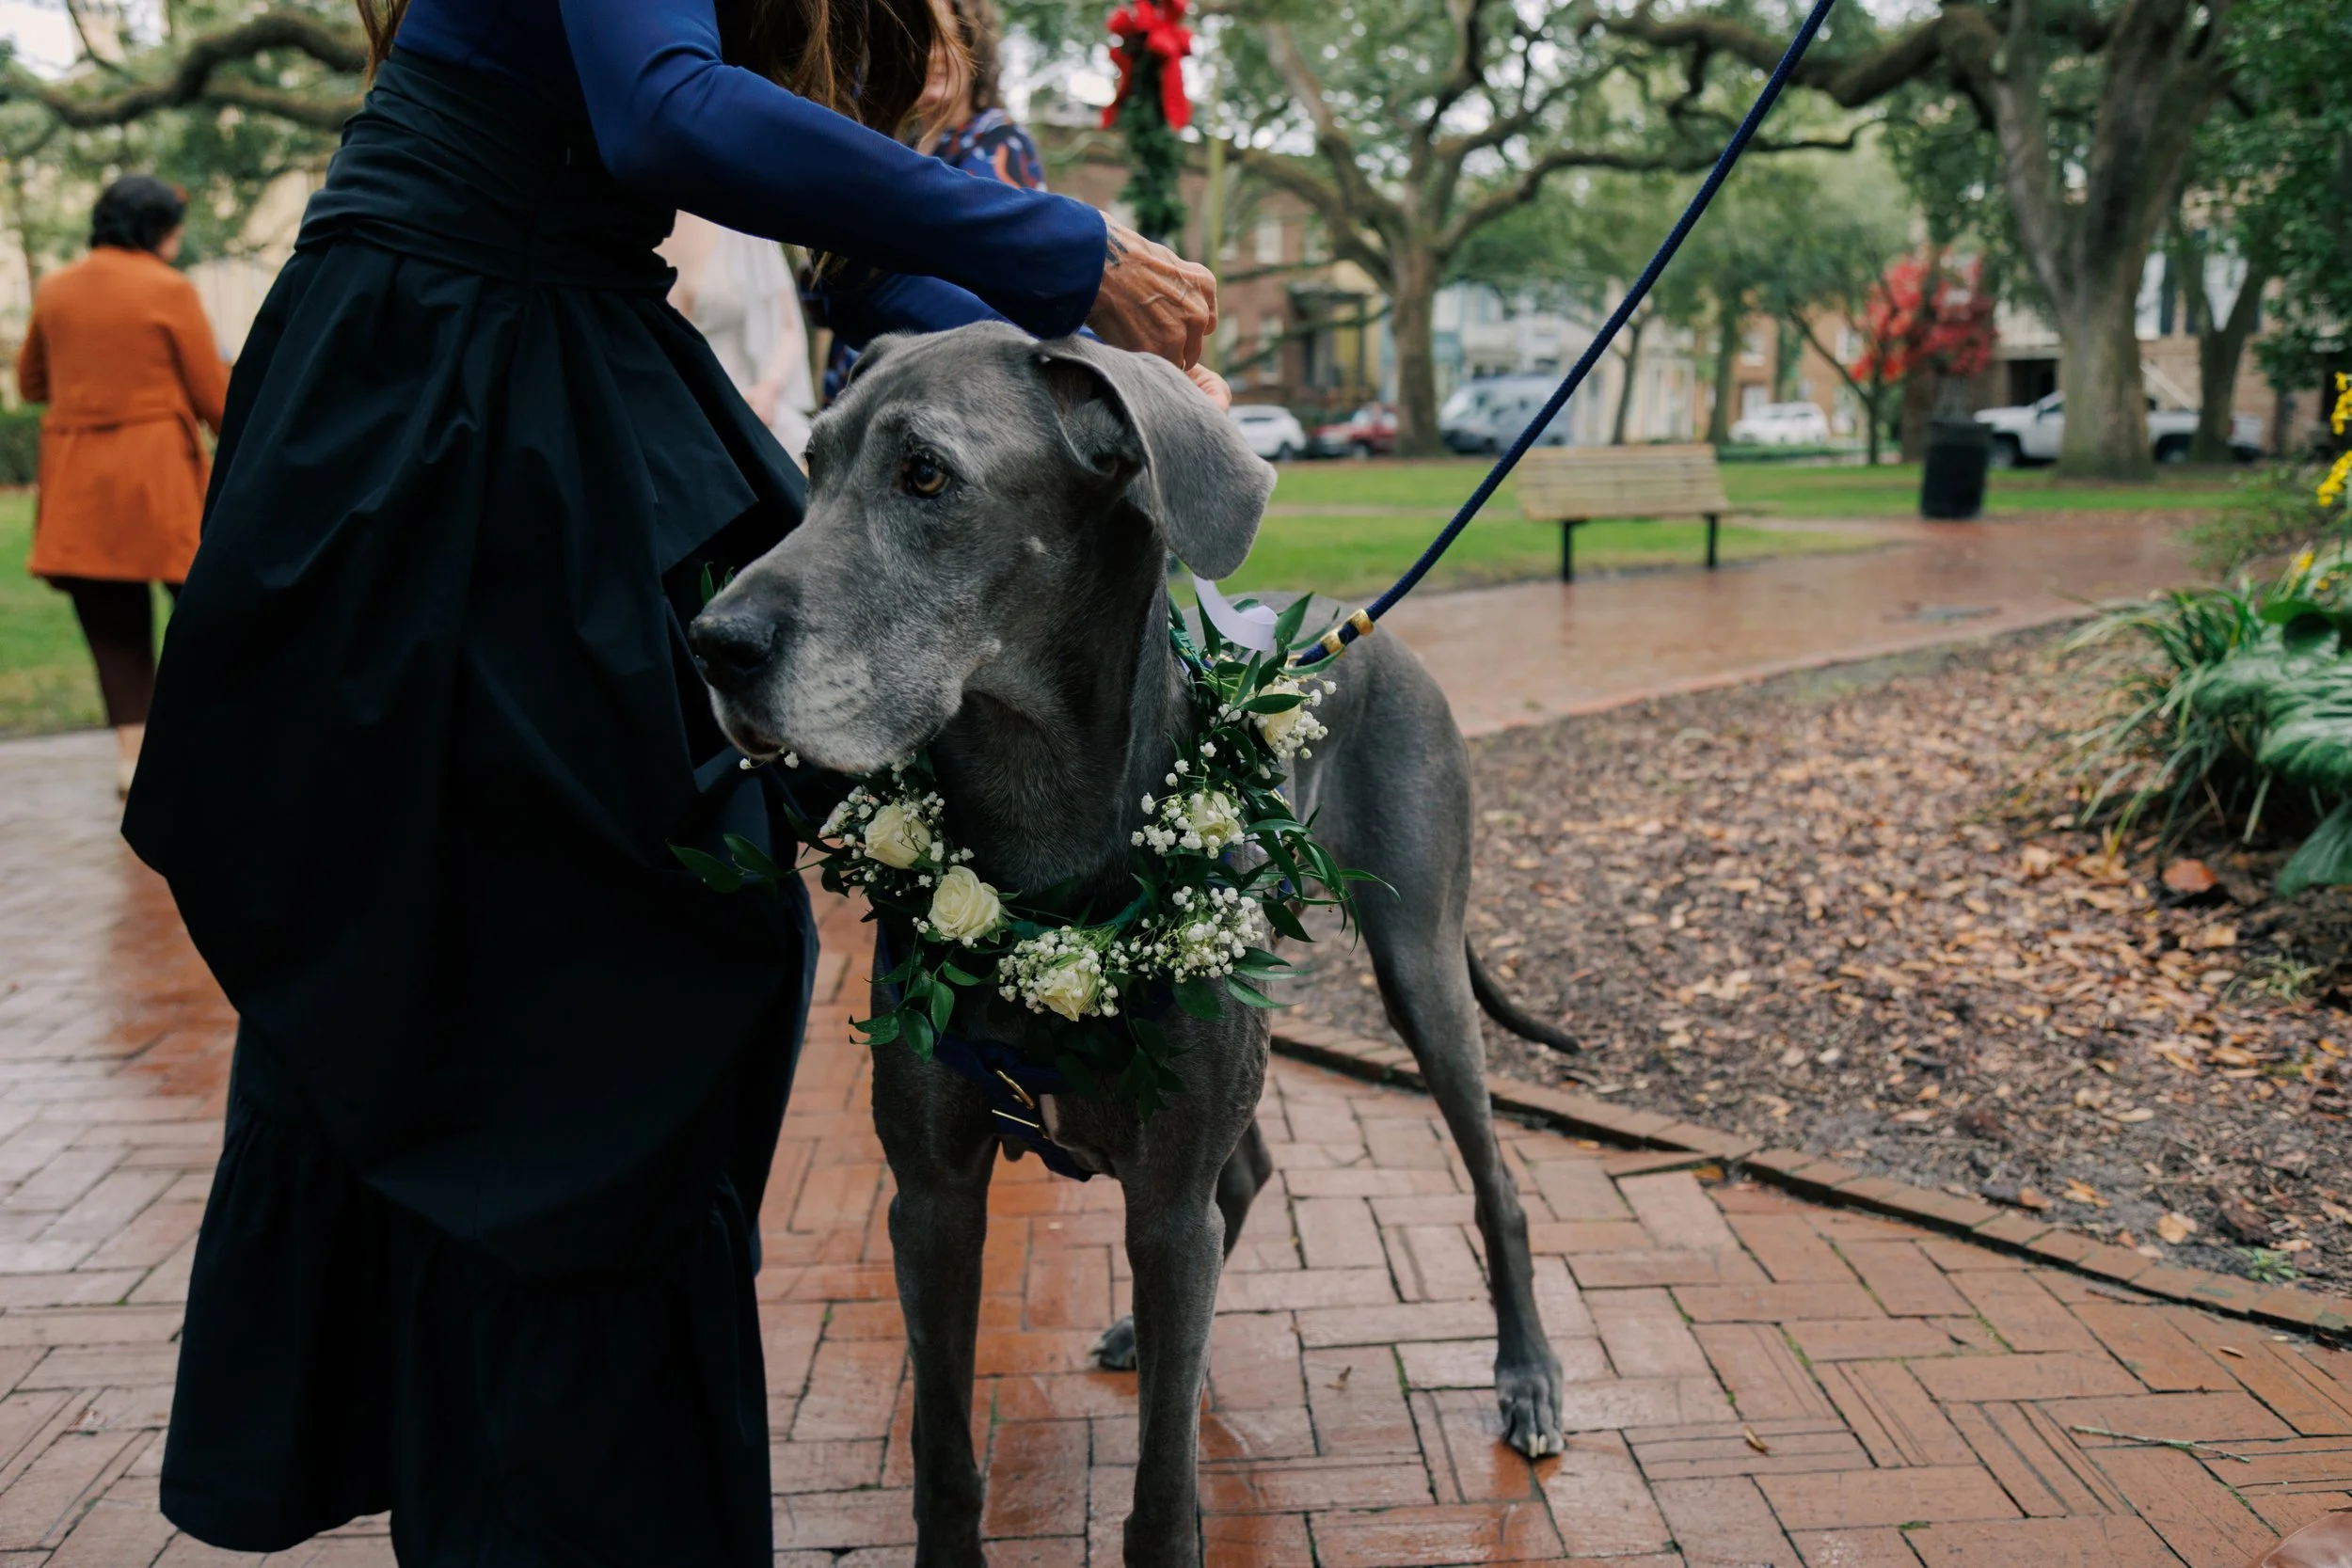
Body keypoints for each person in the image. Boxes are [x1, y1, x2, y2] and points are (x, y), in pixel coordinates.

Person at [123, 1, 1221, 1563]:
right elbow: (664, 112)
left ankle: (554, 1503)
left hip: (545, 336)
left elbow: (838, 249)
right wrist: (1060, 240)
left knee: (590, 979)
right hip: (449, 392)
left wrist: (1058, 367)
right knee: (588, 989)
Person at [17, 177, 226, 798]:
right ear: (158, 229)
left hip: (80, 478)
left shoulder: (56, 289)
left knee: (111, 623)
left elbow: (30, 384)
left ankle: (131, 760)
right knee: (202, 607)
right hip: (158, 475)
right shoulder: (168, 288)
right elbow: (212, 394)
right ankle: (202, 740)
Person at [663, 213, 818, 456]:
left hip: (747, 405)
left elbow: (790, 330)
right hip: (668, 414)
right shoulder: (630, 227)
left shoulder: (738, 224)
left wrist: (769, 388)